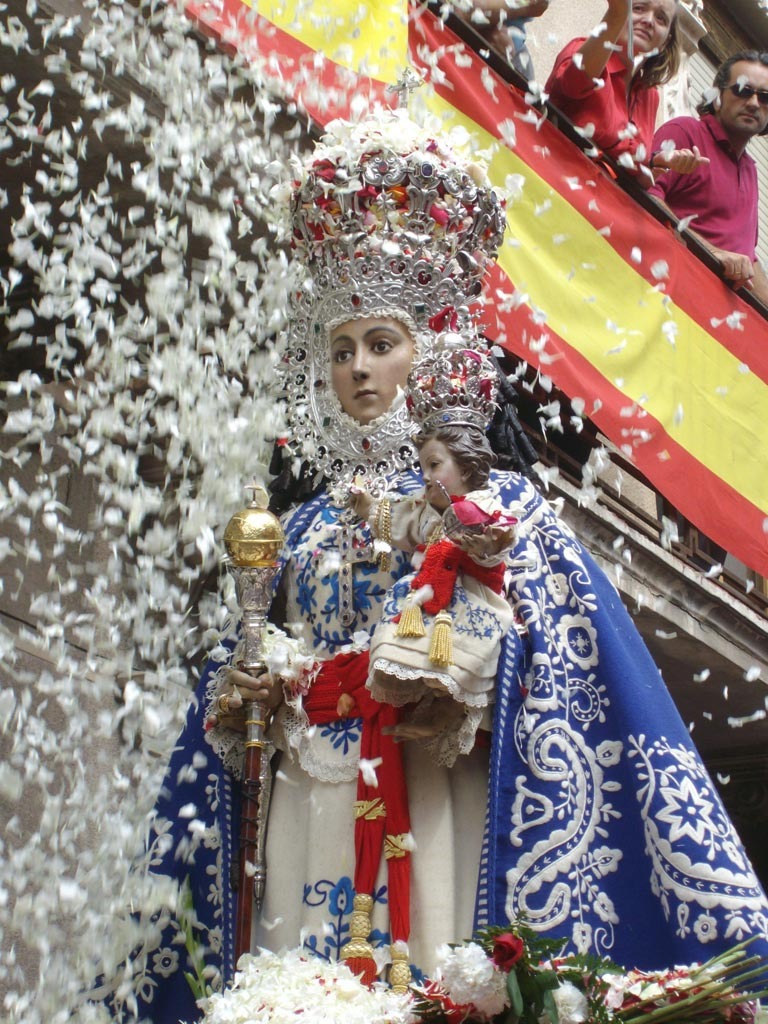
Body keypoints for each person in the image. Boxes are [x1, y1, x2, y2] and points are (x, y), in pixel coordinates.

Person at [103, 110, 768, 1023]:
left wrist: (448, 666)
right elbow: (260, 664)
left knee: (428, 969)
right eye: (341, 351)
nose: (358, 371)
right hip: (311, 793)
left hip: (430, 784)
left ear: (433, 354)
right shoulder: (295, 532)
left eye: (381, 344)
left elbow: (557, 658)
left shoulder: (494, 510)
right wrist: (251, 685)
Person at [352, 342, 520, 765]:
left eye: (434, 465)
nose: (425, 476)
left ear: (465, 466)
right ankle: (424, 694)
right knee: (402, 640)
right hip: (429, 596)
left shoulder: (479, 507)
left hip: (472, 600)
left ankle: (449, 705)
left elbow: (496, 541)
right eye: (422, 466)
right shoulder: (427, 510)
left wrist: (489, 544)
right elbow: (401, 522)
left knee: (461, 656)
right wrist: (368, 508)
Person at [649, 51, 768, 304]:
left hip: (710, 324)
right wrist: (714, 253)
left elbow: (747, 256)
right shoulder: (685, 132)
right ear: (716, 97)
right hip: (662, 297)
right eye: (743, 90)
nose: (755, 103)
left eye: (765, 97)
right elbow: (646, 200)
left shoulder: (750, 169)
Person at [545, 0, 706, 182]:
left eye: (661, 19)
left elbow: (631, 172)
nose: (649, 20)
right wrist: (615, 16)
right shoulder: (581, 50)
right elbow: (574, 82)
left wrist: (654, 164)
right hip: (547, 179)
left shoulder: (650, 96)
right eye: (638, 8)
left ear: (665, 41)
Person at [453, 0, 550, 80]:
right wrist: (525, 7)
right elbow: (463, 10)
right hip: (454, 40)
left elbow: (541, 6)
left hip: (509, 49)